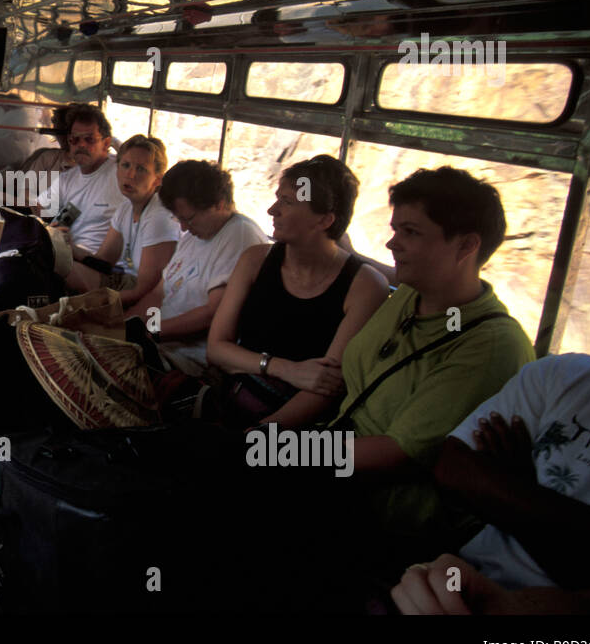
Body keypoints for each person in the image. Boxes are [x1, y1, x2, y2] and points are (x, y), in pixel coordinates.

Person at [391, 238, 590, 614]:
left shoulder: (493, 339)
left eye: (409, 231)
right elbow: (454, 468)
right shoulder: (558, 377)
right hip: (455, 581)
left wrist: (520, 485)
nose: (393, 242)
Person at [323, 166, 535, 564]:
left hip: (384, 519)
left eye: (411, 232)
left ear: (466, 246)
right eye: (395, 229)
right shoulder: (409, 296)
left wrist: (286, 452)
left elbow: (396, 453)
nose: (392, 243)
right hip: (332, 458)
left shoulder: (490, 346)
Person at [206, 155, 389, 426]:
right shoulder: (255, 260)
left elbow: (325, 387)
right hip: (232, 398)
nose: (272, 210)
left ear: (324, 220)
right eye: (278, 198)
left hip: (296, 427)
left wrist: (259, 434)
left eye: (287, 202)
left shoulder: (365, 286)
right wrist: (283, 368)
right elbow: (216, 348)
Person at [129, 160, 268, 375]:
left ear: (219, 204)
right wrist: (125, 325)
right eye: (179, 219)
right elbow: (159, 295)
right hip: (158, 343)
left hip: (186, 359)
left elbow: (213, 313)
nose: (183, 227)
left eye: (189, 218)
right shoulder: (194, 234)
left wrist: (152, 332)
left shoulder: (239, 235)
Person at [65, 134, 179, 311]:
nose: (130, 175)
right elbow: (104, 261)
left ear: (157, 179)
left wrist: (90, 303)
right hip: (121, 280)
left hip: (143, 298)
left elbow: (144, 291)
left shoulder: (159, 218)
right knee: (60, 267)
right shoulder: (126, 207)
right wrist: (67, 248)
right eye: (125, 165)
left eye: (141, 169)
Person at [35, 104, 125, 259]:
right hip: (64, 255)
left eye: (89, 139)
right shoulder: (67, 179)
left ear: (106, 143)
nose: (81, 145)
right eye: (74, 139)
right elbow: (40, 208)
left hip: (97, 265)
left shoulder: (121, 173)